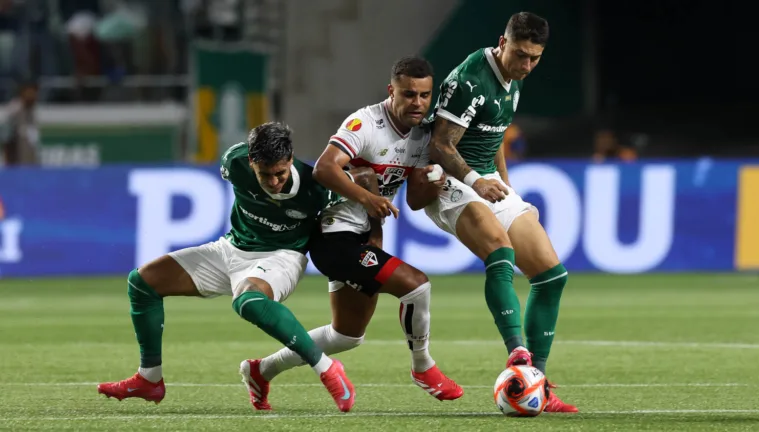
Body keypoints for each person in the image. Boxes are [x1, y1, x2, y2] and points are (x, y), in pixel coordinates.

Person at [97, 122, 376, 413]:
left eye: (280, 173)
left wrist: (375, 230)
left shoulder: (318, 186)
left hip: (282, 256)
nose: (274, 182)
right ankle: (149, 378)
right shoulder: (233, 162)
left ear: (290, 160)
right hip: (231, 248)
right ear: (251, 162)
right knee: (143, 281)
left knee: (248, 301)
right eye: (265, 174)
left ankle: (327, 368)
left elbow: (366, 177)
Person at [238, 57, 463, 410]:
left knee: (346, 335)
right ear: (392, 91)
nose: (418, 103)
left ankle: (261, 370)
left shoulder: (422, 137)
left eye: (424, 95)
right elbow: (325, 169)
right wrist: (369, 199)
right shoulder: (366, 123)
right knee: (417, 285)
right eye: (409, 94)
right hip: (333, 236)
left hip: (360, 237)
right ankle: (423, 366)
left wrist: (436, 179)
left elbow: (417, 201)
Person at [408, 11, 577, 412]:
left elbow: (494, 131)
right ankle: (518, 354)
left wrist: (504, 179)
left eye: (535, 58)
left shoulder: (512, 82)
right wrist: (476, 181)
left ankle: (538, 383)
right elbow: (440, 146)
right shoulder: (470, 80)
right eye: (520, 55)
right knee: (500, 252)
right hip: (448, 183)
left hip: (484, 179)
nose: (527, 65)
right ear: (502, 43)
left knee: (552, 276)